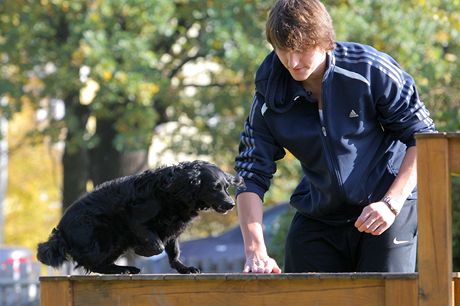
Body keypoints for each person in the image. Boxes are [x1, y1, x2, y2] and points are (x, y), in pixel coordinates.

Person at [234, 0, 436, 273]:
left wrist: (391, 203)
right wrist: (255, 251)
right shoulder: (269, 94)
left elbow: (423, 139)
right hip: (320, 213)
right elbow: (250, 173)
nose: (293, 62)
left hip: (386, 204)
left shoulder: (370, 70)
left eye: (302, 50)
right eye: (283, 51)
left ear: (325, 42)